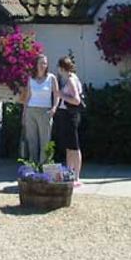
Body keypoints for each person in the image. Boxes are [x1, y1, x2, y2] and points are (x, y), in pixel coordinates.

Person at [51, 55, 84, 187]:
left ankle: (76, 177)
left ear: (61, 67)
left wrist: (61, 95)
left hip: (71, 115)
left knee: (74, 148)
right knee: (69, 148)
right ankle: (70, 174)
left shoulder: (71, 80)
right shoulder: (72, 78)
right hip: (67, 115)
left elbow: (76, 100)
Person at [22, 54, 60, 165]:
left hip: (45, 111)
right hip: (31, 111)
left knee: (45, 140)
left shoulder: (51, 78)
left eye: (45, 63)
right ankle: (32, 164)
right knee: (32, 139)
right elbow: (28, 96)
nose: (43, 65)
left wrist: (54, 108)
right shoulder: (31, 78)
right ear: (36, 65)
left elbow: (56, 95)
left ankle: (45, 165)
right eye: (41, 63)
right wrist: (24, 113)